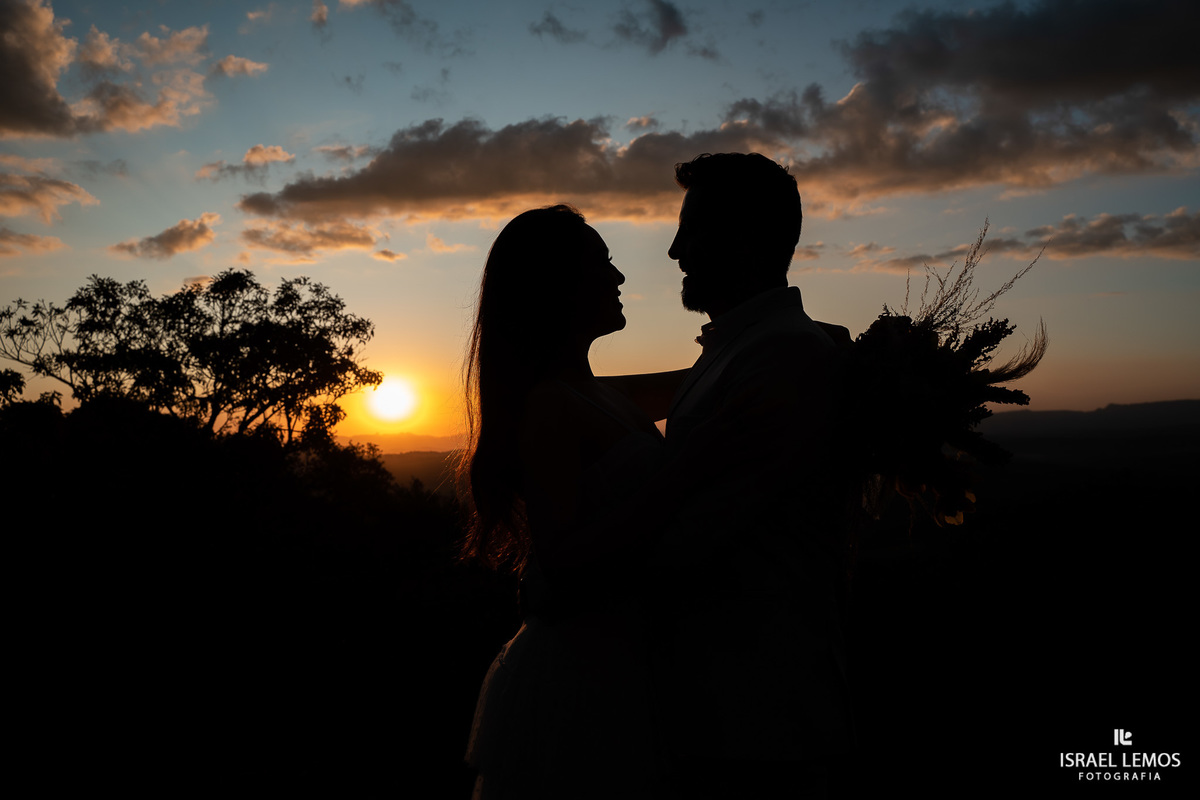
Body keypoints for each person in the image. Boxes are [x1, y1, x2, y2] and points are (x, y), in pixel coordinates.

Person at [648, 152, 855, 798]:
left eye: (694, 229)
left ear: (746, 243)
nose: (676, 249)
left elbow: (692, 542)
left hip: (761, 729)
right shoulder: (745, 347)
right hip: (722, 718)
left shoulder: (783, 356)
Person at [459, 205, 679, 800]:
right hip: (584, 677)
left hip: (623, 661)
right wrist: (678, 480)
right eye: (602, 263)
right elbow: (562, 559)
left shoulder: (595, 393)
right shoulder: (553, 405)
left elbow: (705, 377)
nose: (619, 278)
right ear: (557, 286)